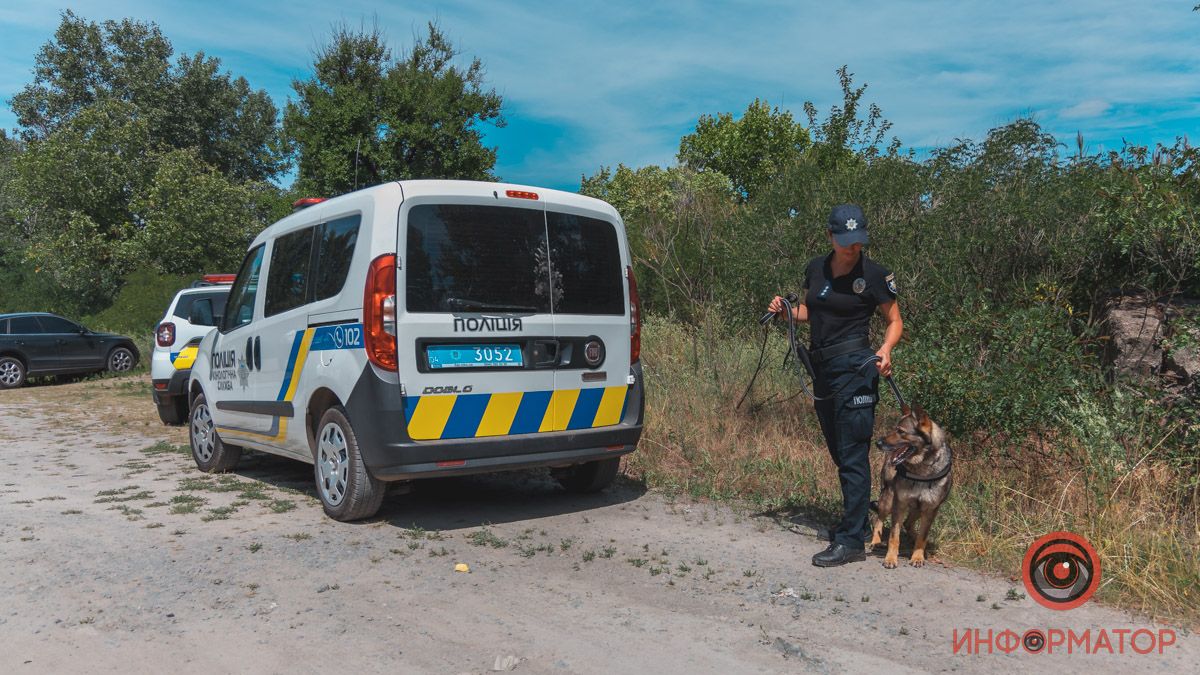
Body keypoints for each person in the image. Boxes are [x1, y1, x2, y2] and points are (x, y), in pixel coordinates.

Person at [767, 204, 903, 567]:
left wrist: (886, 349)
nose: (852, 248)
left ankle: (851, 542)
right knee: (841, 453)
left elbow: (894, 321)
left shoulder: (875, 275)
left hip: (856, 368)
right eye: (845, 241)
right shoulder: (815, 268)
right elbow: (812, 311)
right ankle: (855, 524)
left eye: (858, 242)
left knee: (854, 454)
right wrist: (786, 312)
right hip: (823, 368)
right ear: (829, 236)